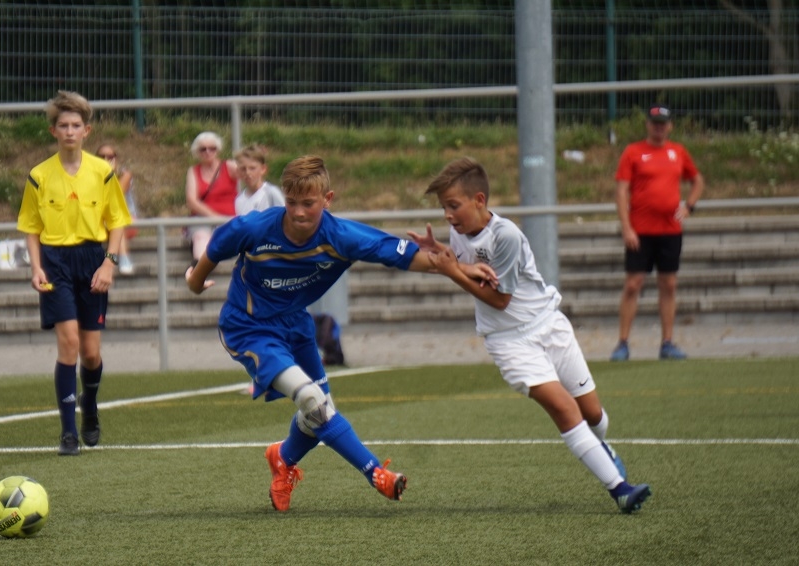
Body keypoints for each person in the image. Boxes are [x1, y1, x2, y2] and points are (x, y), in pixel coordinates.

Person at [185, 155, 497, 512]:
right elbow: (215, 249)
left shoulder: (341, 236)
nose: (298, 212)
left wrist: (462, 270)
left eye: (308, 203)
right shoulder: (256, 228)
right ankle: (376, 473)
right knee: (313, 401)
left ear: (327, 199)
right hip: (248, 327)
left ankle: (283, 458)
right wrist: (195, 283)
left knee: (319, 412)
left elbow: (404, 256)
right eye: (291, 202)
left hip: (296, 325)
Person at [408, 156, 652, 514]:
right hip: (508, 342)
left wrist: (450, 270)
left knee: (594, 415)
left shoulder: (505, 235)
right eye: (443, 207)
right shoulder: (459, 231)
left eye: (453, 205)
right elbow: (467, 271)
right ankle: (621, 490)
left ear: (479, 200)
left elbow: (500, 299)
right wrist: (443, 256)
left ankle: (602, 448)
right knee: (563, 408)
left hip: (548, 325)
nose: (447, 215)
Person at [17, 90, 132, 456]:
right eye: (63, 125)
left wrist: (109, 263)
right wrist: (36, 266)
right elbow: (31, 227)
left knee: (91, 353)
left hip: (92, 258)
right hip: (55, 262)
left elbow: (117, 221)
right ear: (53, 131)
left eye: (76, 125)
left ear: (87, 131)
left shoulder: (102, 172)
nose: (69, 131)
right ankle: (68, 433)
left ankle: (90, 405)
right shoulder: (39, 175)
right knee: (68, 344)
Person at [611, 104, 704, 362]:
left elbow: (697, 180)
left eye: (663, 123)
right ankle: (622, 342)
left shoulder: (678, 152)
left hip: (670, 230)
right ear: (648, 125)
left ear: (669, 126)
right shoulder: (633, 152)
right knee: (633, 284)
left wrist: (689, 206)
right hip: (640, 231)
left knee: (669, 284)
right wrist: (626, 227)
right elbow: (621, 191)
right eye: (655, 123)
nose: (659, 128)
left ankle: (667, 342)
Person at [184, 131, 238, 260]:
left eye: (212, 148)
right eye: (203, 149)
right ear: (197, 152)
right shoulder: (193, 171)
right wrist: (215, 218)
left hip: (229, 218)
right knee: (200, 236)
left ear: (218, 150)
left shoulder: (229, 166)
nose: (207, 152)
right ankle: (200, 267)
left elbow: (249, 175)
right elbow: (191, 201)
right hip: (203, 218)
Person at [95, 143, 137, 275]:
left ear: (116, 158)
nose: (105, 159)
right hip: (101, 221)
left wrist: (110, 174)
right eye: (101, 156)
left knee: (117, 220)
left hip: (127, 219)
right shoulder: (90, 176)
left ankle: (123, 257)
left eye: (110, 156)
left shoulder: (125, 174)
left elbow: (114, 196)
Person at [233, 143, 285, 216]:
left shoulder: (271, 193)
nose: (247, 173)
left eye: (252, 168)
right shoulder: (239, 199)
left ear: (263, 169)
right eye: (243, 169)